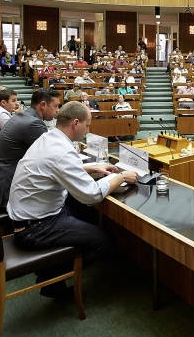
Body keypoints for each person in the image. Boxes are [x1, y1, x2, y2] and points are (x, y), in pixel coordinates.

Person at [8, 102, 138, 299]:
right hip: (36, 228)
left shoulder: (49, 138)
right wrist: (121, 177)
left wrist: (93, 167)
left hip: (30, 217)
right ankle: (51, 277)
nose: (89, 130)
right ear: (76, 123)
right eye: (88, 125)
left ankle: (53, 270)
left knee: (83, 213)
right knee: (107, 242)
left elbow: (54, 168)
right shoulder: (61, 151)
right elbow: (92, 195)